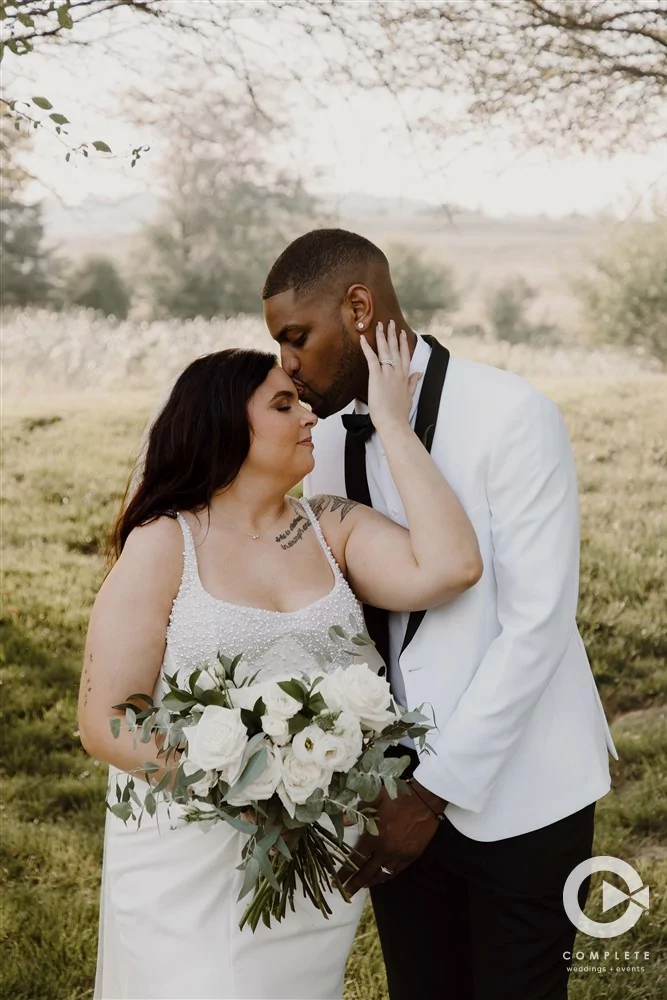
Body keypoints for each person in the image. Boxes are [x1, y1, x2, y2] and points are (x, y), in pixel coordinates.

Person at [262, 228, 619, 1000]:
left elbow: (537, 625)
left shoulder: (512, 413)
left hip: (522, 793)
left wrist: (433, 790)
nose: (286, 364)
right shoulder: (316, 442)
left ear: (359, 307)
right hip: (387, 797)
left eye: (297, 337)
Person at [78, 342, 481, 1000]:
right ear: (224, 423)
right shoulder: (163, 543)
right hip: (190, 860)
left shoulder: (328, 526)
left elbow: (450, 567)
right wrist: (246, 786)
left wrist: (393, 425)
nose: (308, 416)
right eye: (282, 403)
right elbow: (105, 720)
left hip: (311, 858)